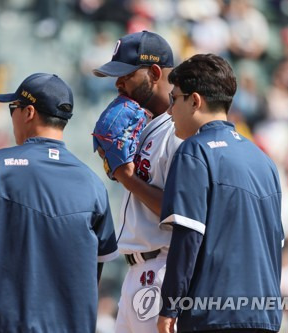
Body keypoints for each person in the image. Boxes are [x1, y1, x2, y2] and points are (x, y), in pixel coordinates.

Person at [0, 73, 119, 333]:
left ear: (28, 112)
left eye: (13, 108)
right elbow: (93, 271)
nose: (12, 117)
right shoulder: (94, 184)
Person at [157, 53, 283, 332]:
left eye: (173, 98)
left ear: (195, 100)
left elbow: (188, 237)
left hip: (212, 316)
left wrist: (170, 306)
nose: (169, 110)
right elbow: (276, 245)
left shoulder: (195, 151)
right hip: (264, 316)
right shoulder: (263, 160)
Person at [93, 31, 182, 332]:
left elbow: (179, 211)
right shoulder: (144, 126)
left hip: (161, 270)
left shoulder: (179, 133)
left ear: (155, 73)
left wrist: (125, 176)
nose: (118, 83)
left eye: (126, 75)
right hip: (137, 273)